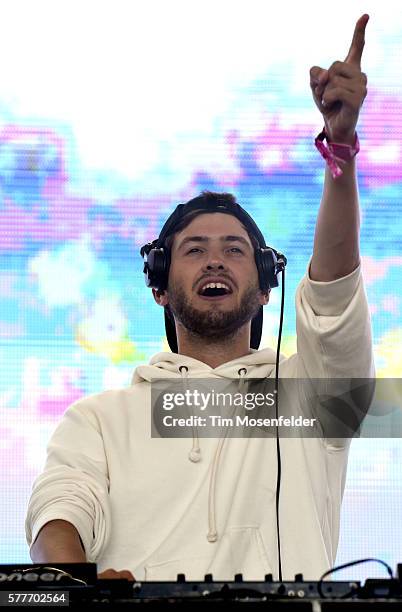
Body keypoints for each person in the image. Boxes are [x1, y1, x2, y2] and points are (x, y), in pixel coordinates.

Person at [26, 14, 374, 581]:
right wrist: (74, 591)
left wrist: (340, 148)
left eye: (236, 250)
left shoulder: (314, 398)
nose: (215, 259)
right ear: (159, 285)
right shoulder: (99, 419)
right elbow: (59, 514)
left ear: (266, 286)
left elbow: (333, 298)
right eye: (193, 251)